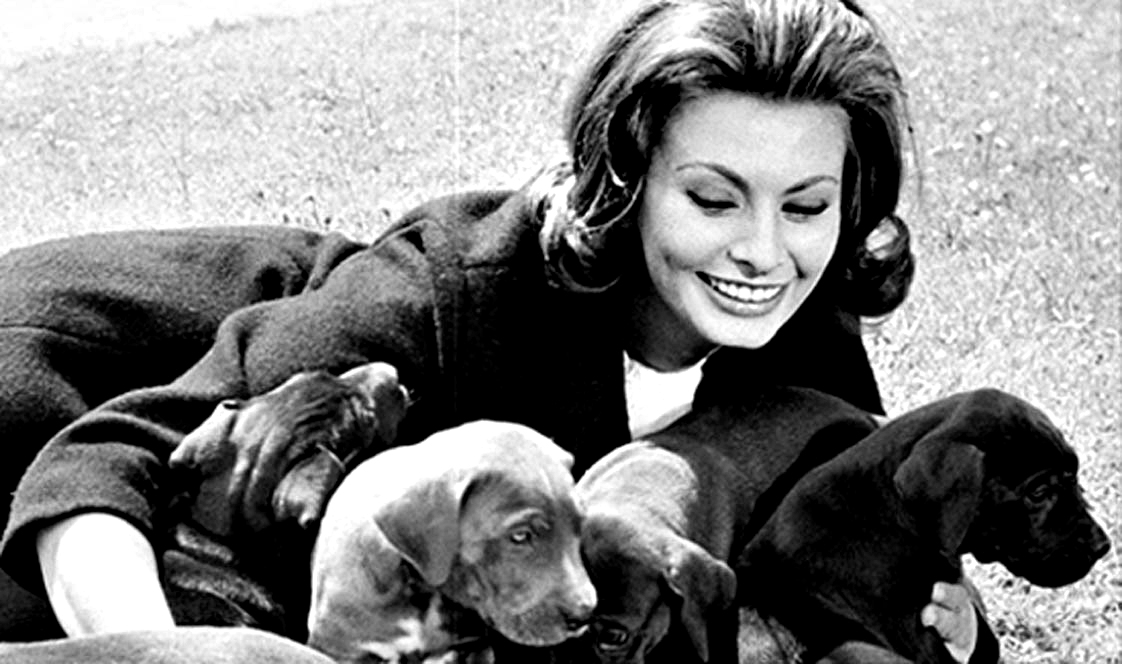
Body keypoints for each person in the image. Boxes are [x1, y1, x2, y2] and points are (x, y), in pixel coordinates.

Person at [0, 0, 992, 661]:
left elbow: (840, 530)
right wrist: (164, 652)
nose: (763, 252)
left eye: (806, 205)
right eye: (712, 197)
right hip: (54, 376)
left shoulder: (801, 332)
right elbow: (106, 456)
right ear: (627, 174)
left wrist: (949, 619)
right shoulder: (447, 296)